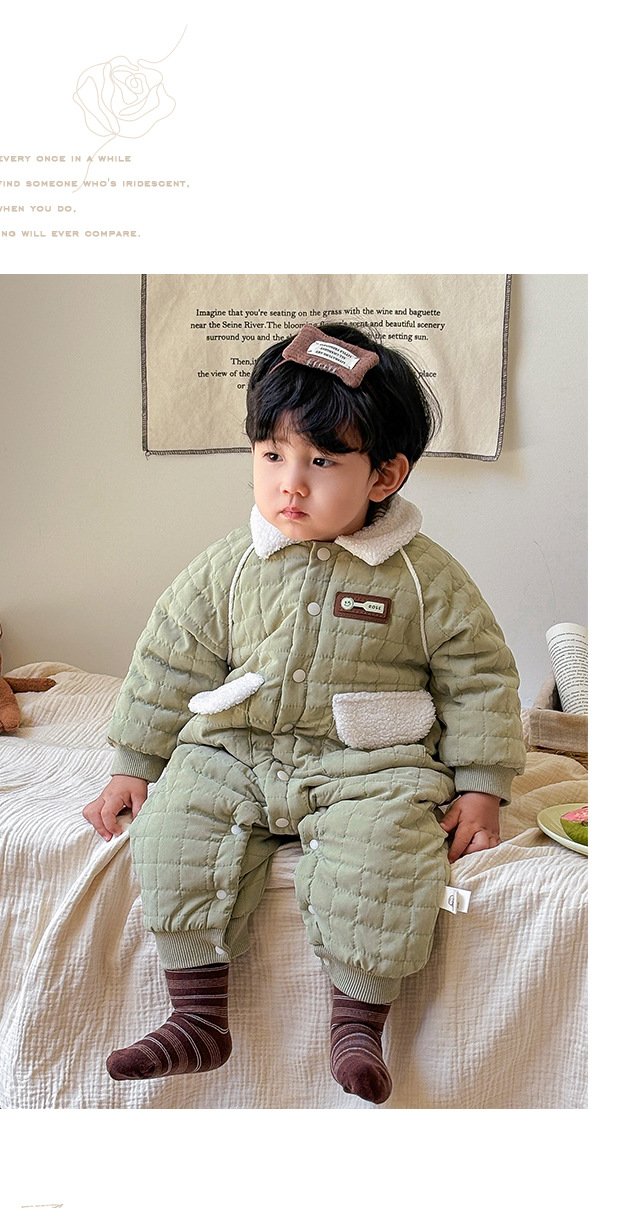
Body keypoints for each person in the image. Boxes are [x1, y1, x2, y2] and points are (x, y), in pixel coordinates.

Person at [83, 322, 525, 1104]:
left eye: (321, 461)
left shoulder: (424, 578)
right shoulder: (229, 566)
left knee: (390, 849)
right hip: (239, 748)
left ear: (384, 475)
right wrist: (134, 764)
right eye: (271, 455)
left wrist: (482, 783)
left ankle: (359, 1022)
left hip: (369, 761)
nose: (290, 482)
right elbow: (168, 660)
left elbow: (478, 676)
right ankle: (196, 1015)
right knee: (174, 827)